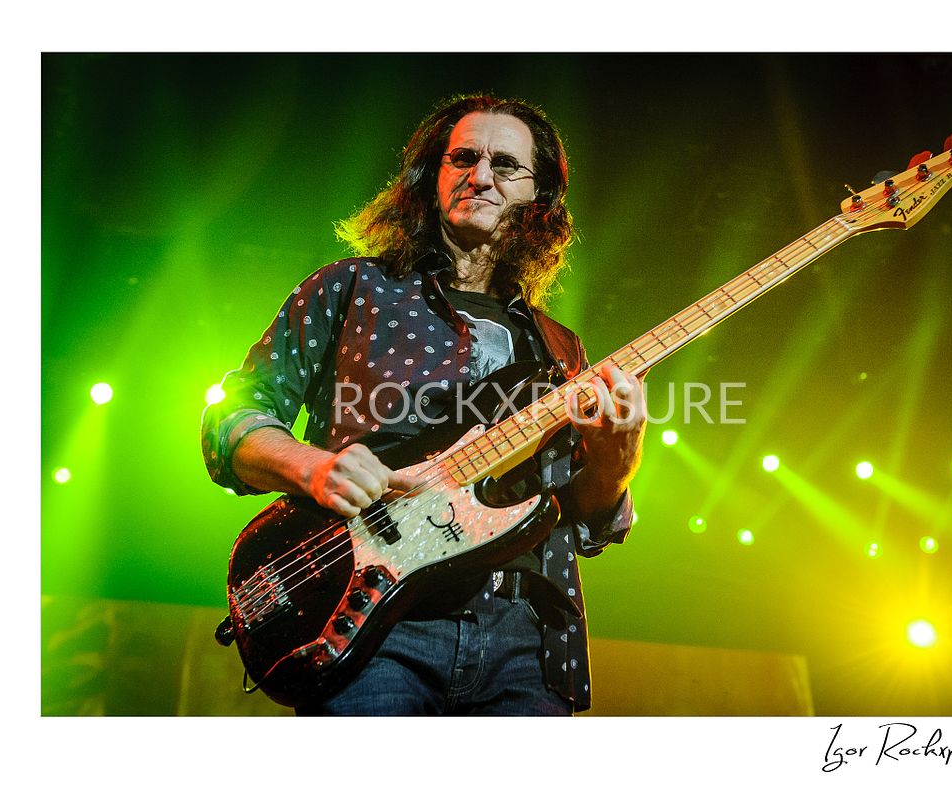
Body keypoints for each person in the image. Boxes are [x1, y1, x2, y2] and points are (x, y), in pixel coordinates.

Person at [202, 93, 645, 715]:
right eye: (462, 157)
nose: (480, 175)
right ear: (428, 177)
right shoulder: (351, 288)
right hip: (375, 623)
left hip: (524, 636)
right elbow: (232, 421)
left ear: (539, 197)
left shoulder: (559, 348)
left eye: (506, 165)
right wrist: (313, 467)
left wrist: (618, 457)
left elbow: (586, 519)